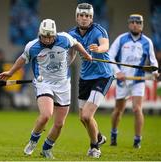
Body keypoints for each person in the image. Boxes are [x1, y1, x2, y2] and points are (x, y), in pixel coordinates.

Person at [0, 19, 92, 159]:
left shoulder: (65, 38)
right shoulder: (32, 46)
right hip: (44, 83)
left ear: (54, 34)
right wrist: (10, 72)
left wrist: (85, 54)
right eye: (44, 36)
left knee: (59, 124)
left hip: (63, 84)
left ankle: (47, 148)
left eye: (50, 36)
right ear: (39, 34)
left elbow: (76, 44)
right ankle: (32, 141)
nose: (47, 39)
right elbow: (22, 59)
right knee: (46, 115)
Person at [68, 3, 114, 158]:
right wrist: (66, 64)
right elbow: (72, 53)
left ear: (91, 18)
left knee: (87, 115)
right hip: (85, 77)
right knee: (83, 118)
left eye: (87, 16)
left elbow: (105, 45)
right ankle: (99, 137)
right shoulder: (71, 34)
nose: (84, 18)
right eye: (81, 15)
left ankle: (95, 148)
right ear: (76, 17)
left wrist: (98, 49)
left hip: (102, 76)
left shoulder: (99, 30)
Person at [108, 14, 159, 149]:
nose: (135, 24)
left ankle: (137, 139)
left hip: (139, 81)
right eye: (133, 22)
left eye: (138, 22)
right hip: (122, 81)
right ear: (129, 24)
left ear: (142, 25)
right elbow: (110, 56)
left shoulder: (147, 42)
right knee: (119, 110)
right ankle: (113, 133)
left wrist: (155, 73)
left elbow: (153, 61)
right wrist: (117, 72)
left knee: (137, 109)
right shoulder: (121, 39)